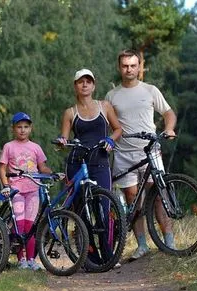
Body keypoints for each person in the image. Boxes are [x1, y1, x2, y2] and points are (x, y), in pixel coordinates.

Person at [105, 49, 177, 260]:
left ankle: (170, 243)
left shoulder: (150, 90)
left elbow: (168, 113)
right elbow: (106, 123)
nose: (129, 69)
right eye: (125, 65)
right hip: (124, 153)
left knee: (158, 196)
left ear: (139, 67)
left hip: (150, 149)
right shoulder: (111, 96)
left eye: (133, 65)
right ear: (120, 68)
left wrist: (169, 128)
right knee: (132, 199)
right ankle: (142, 245)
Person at [57, 68, 123, 265]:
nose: (84, 85)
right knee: (82, 212)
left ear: (94, 85)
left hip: (100, 162)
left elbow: (118, 128)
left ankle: (108, 255)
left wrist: (110, 140)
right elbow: (64, 138)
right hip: (77, 164)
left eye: (88, 81)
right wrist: (61, 142)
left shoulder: (105, 106)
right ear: (75, 86)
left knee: (103, 208)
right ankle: (90, 258)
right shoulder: (70, 112)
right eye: (80, 82)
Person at [0, 112, 58, 271]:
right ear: (13, 129)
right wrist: (6, 185)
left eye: (26, 127)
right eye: (19, 127)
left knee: (31, 226)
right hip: (16, 190)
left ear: (30, 128)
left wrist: (50, 173)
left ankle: (31, 259)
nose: (22, 130)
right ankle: (21, 259)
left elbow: (42, 166)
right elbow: (2, 168)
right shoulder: (9, 146)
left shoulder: (35, 147)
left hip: (33, 190)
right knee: (20, 225)